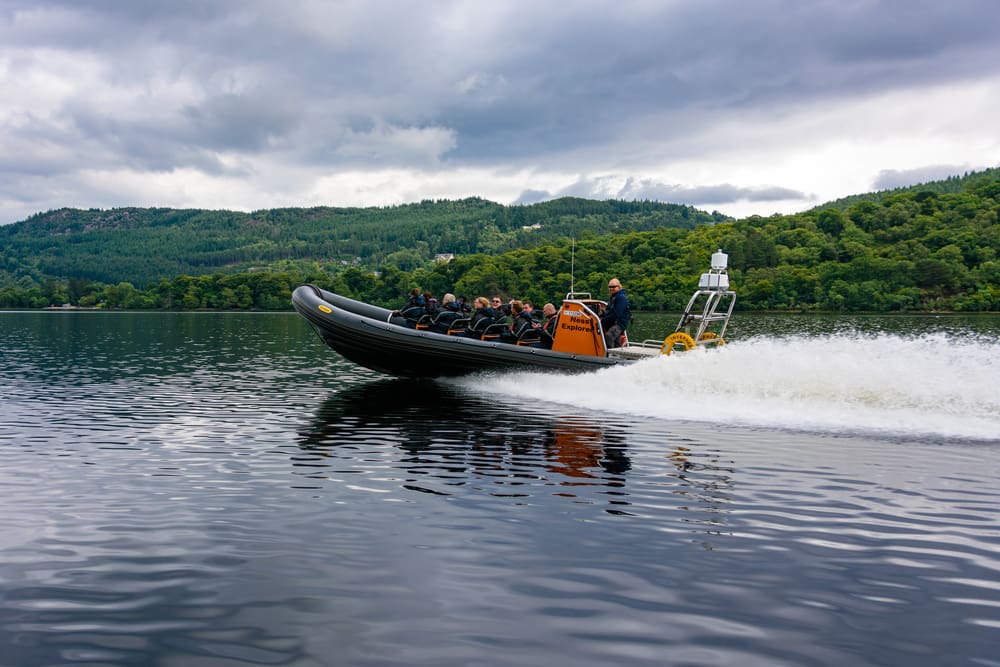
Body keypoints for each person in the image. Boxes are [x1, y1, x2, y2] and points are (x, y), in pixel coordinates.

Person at [601, 278, 630, 349]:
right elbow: (609, 310)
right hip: (614, 323)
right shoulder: (614, 297)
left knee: (609, 336)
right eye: (610, 287)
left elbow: (617, 314)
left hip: (619, 324)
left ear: (619, 287)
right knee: (616, 340)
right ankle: (618, 354)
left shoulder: (621, 297)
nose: (611, 288)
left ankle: (610, 354)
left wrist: (603, 321)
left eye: (614, 287)